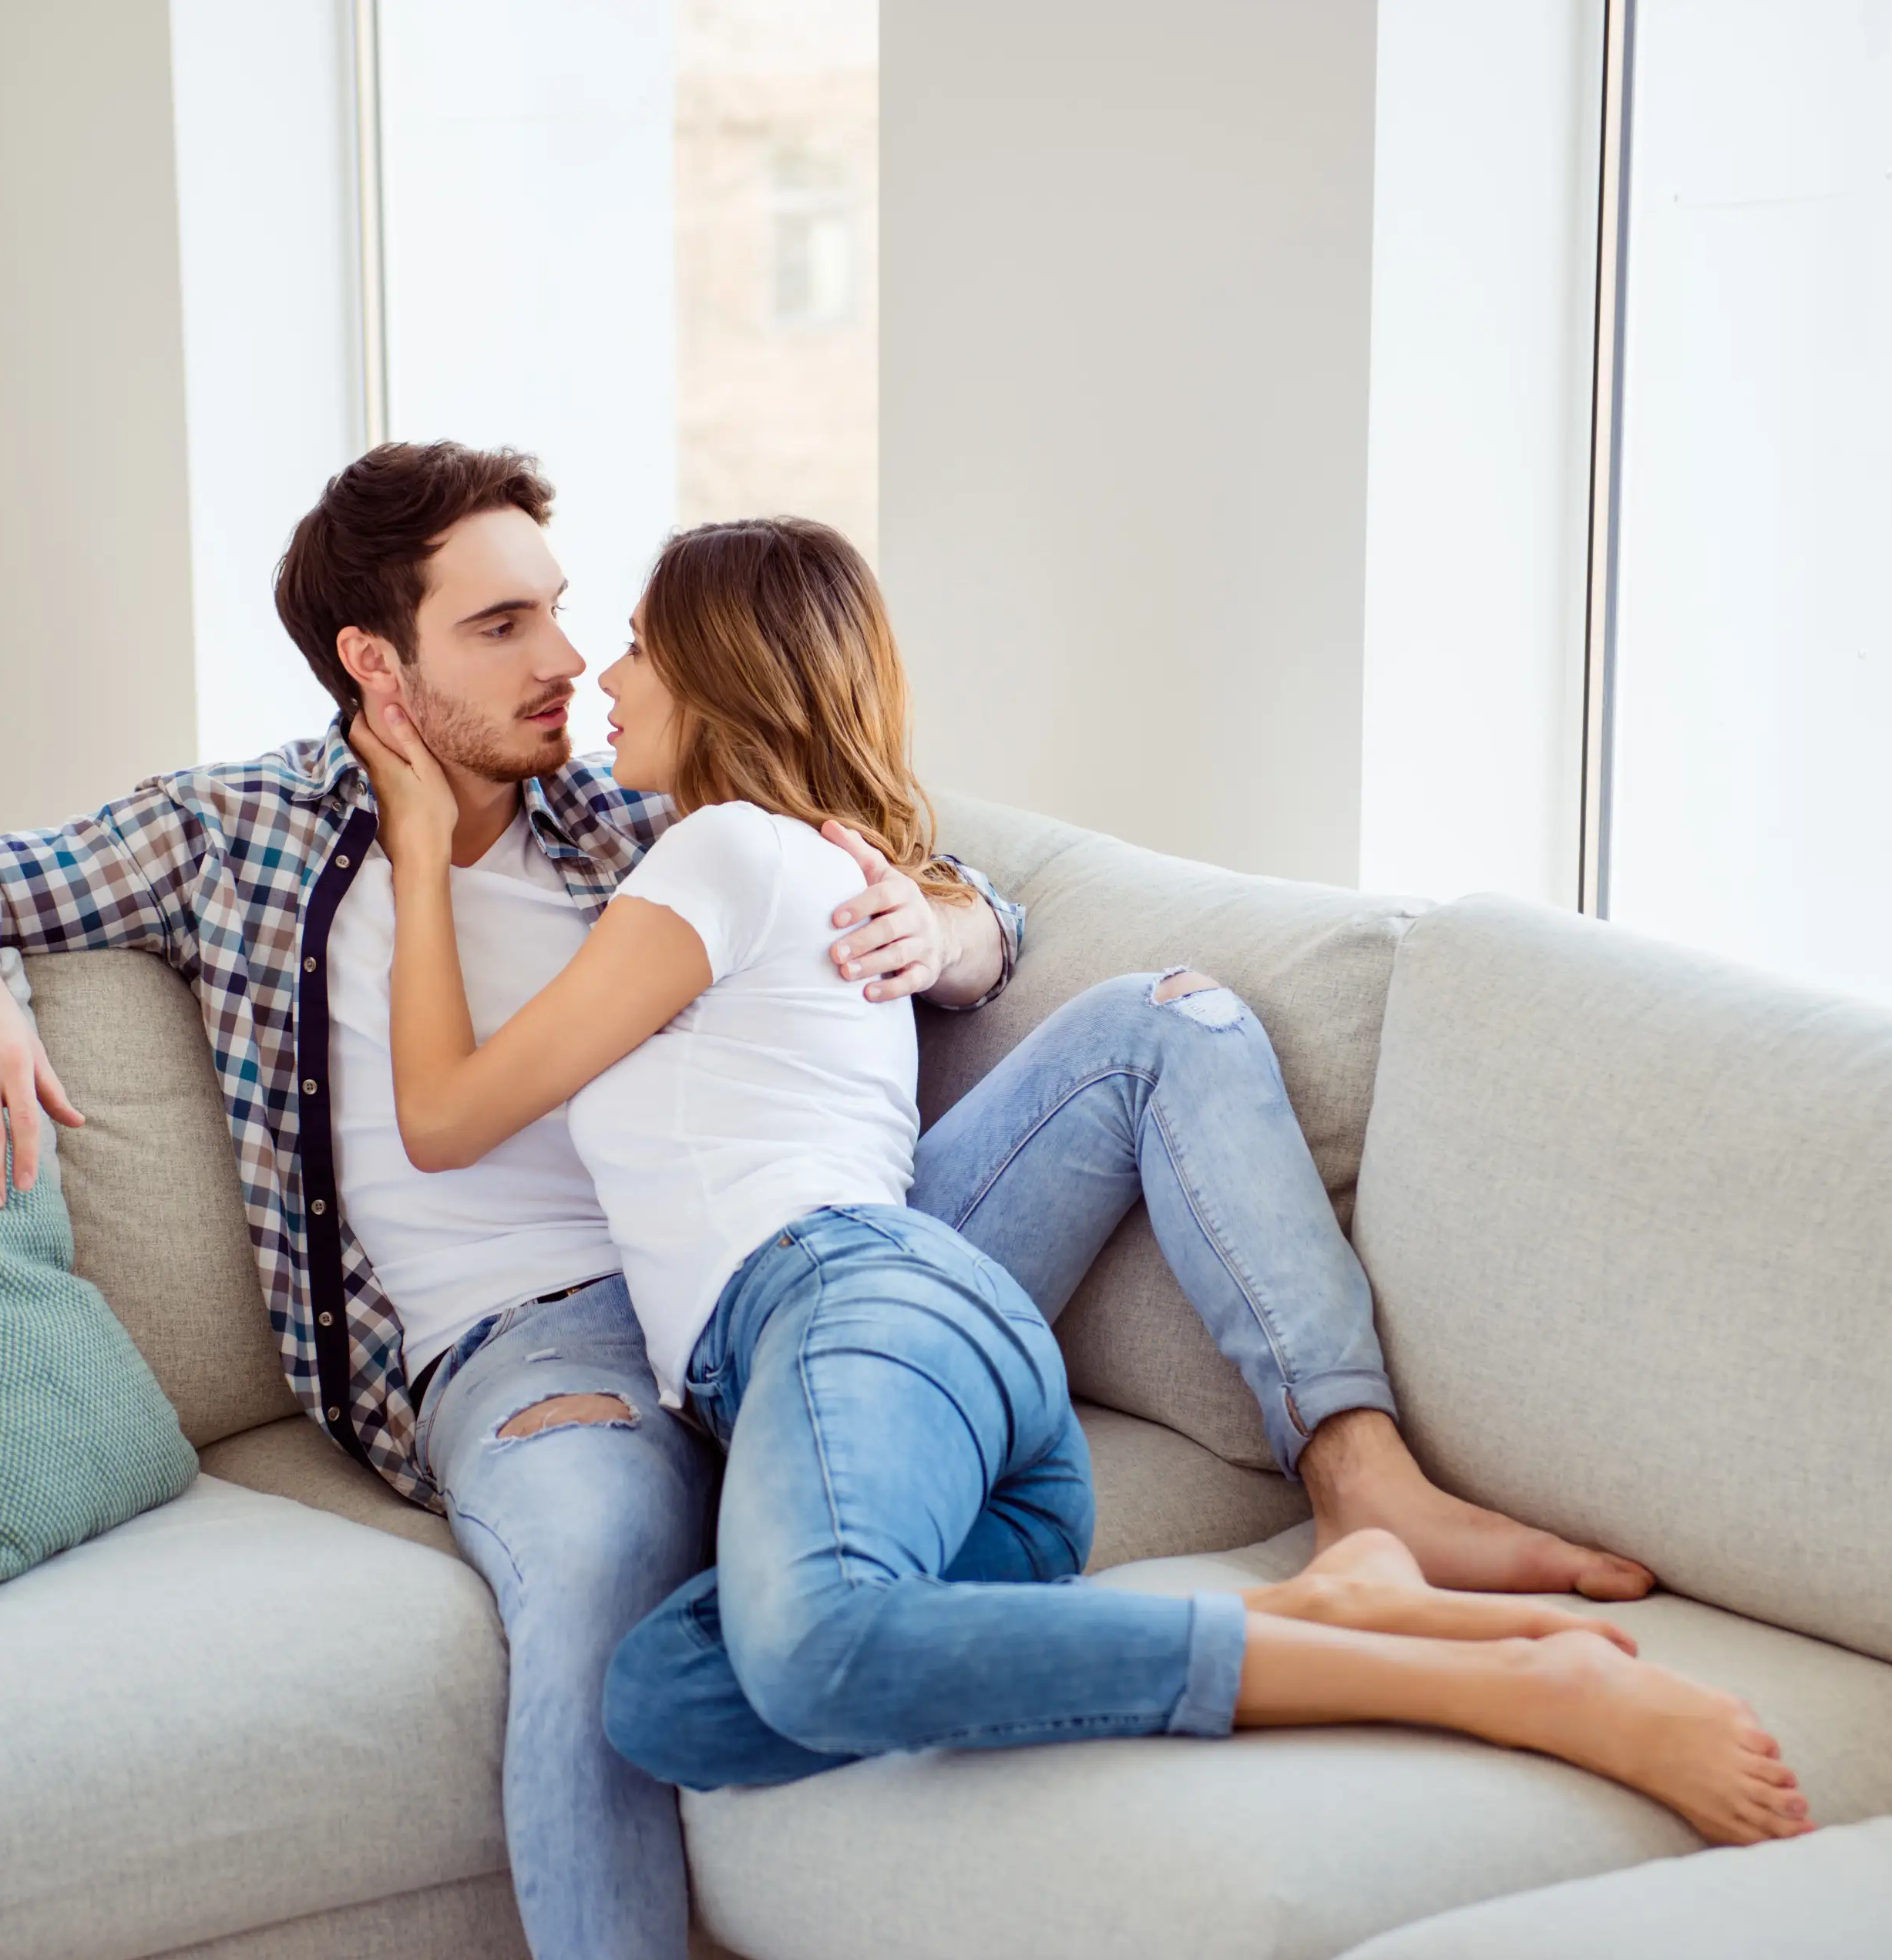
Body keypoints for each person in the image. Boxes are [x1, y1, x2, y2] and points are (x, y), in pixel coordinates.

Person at [0, 444, 1711, 1960]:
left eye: (569, 613)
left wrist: (965, 924)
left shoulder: (618, 814)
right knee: (601, 1593)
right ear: (373, 666)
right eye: (506, 626)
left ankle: (1361, 1476)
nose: (567, 660)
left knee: (1165, 1027)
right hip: (537, 1346)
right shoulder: (240, 831)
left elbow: (894, 850)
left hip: (806, 1276)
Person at [344, 513, 1816, 1850]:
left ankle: (1493, 1680)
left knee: (813, 1652)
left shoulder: (719, 851)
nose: (604, 673)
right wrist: (940, 910)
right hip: (952, 1390)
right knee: (667, 1693)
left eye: (643, 641)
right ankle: (1326, 1594)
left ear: (723, 672)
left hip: (843, 1301)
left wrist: (418, 855)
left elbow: (449, 1115)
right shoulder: (808, 856)